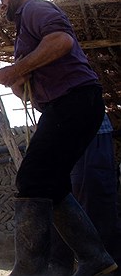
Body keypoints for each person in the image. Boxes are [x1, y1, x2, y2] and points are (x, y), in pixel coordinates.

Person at [0, 0, 117, 276]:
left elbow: (61, 41)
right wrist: (16, 79)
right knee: (55, 186)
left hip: (74, 101)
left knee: (31, 179)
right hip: (67, 105)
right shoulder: (25, 29)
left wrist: (17, 68)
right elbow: (30, 81)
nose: (1, 4)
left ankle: (30, 270)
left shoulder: (35, 8)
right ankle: (96, 260)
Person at [49, 114, 121, 275]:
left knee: (96, 205)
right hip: (56, 135)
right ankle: (60, 268)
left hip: (88, 130)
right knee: (52, 198)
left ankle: (109, 268)